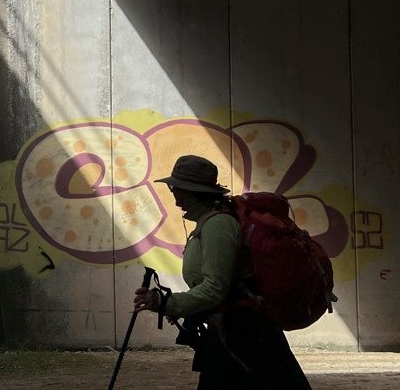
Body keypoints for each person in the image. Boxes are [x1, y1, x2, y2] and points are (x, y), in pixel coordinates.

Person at [133, 154, 310, 389]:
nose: (174, 197)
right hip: (233, 333)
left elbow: (215, 289)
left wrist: (166, 302)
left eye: (176, 189)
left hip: (246, 336)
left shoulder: (218, 225)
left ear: (191, 191)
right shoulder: (209, 222)